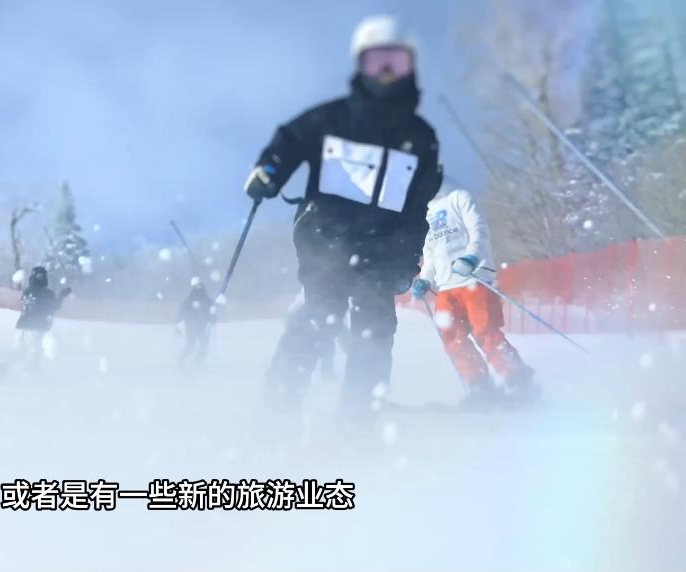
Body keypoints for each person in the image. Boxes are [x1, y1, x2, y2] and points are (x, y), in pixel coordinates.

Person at [244, 14, 443, 411]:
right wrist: (270, 172)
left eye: (396, 62)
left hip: (382, 246)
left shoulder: (420, 137)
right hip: (327, 237)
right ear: (361, 65)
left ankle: (358, 417)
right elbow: (290, 141)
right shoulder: (332, 119)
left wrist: (406, 258)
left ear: (410, 67)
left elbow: (418, 205)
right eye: (376, 62)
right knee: (321, 314)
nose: (386, 73)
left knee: (375, 326)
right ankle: (277, 411)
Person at [411, 187, 537, 407]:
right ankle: (480, 386)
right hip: (446, 286)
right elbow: (430, 252)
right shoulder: (427, 211)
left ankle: (519, 380)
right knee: (452, 338)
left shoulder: (458, 197)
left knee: (485, 332)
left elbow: (478, 229)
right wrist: (425, 279)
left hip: (473, 279)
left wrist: (471, 257)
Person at [15, 266, 71, 364]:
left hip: (21, 327)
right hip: (35, 327)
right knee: (33, 354)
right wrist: (62, 295)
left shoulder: (27, 291)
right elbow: (55, 306)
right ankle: (30, 372)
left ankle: (9, 369)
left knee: (21, 354)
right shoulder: (46, 293)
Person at [176, 282, 216, 366]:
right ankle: (186, 363)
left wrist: (212, 319)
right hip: (194, 326)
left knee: (197, 347)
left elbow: (212, 313)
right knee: (196, 347)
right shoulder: (201, 299)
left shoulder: (202, 300)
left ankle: (192, 364)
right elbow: (213, 313)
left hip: (199, 326)